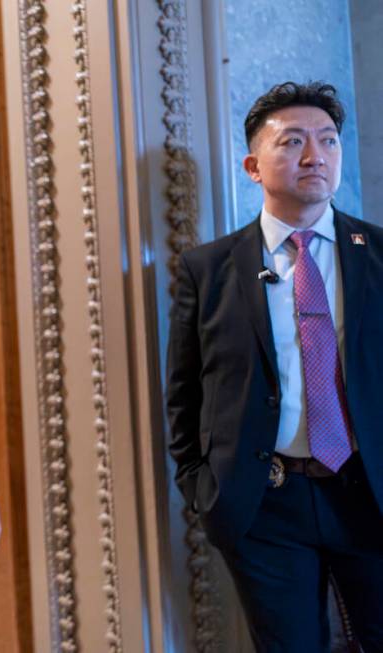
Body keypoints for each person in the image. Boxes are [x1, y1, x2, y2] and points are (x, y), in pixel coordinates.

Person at [167, 81, 383, 651]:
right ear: (253, 165)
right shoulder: (207, 268)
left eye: (328, 141)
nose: (315, 156)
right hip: (266, 505)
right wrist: (201, 488)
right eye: (292, 142)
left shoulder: (379, 254)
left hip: (371, 492)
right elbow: (185, 393)